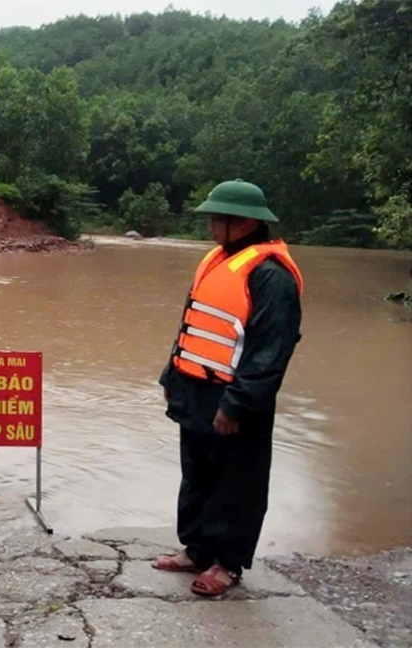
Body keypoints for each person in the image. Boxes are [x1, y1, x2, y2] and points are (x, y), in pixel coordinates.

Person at [154, 179, 304, 596]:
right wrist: (172, 376)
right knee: (197, 475)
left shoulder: (272, 278)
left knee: (236, 483)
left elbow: (269, 352)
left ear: (244, 225)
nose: (211, 227)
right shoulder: (216, 261)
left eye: (218, 219)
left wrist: (236, 405)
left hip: (235, 400)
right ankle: (198, 550)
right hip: (195, 391)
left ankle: (227, 563)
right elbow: (192, 322)